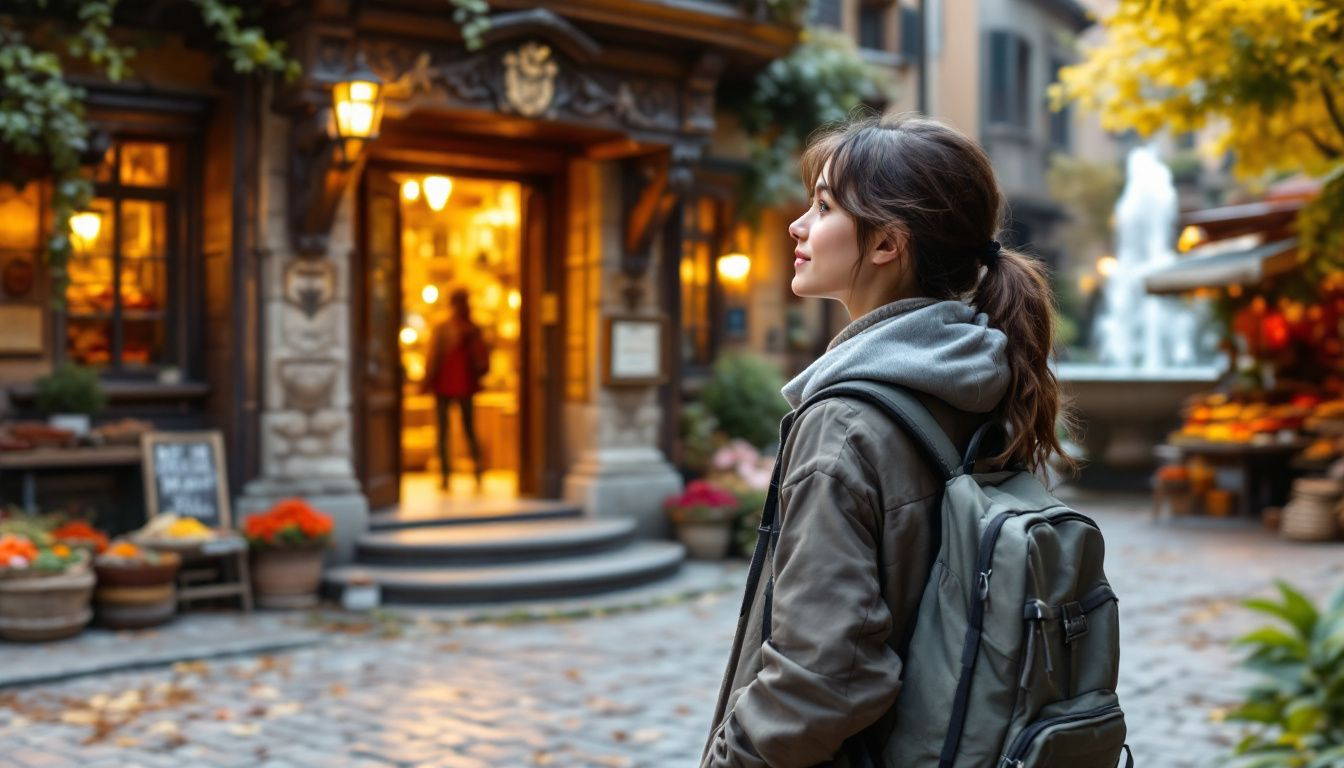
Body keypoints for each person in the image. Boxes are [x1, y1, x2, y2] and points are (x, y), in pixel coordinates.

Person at [701, 113, 1076, 767]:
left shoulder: (842, 425)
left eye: (822, 207)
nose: (798, 225)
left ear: (885, 246)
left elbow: (823, 680)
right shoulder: (982, 382)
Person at [423, 288, 488, 491]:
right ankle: (472, 471)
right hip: (462, 385)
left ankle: (448, 475)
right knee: (464, 430)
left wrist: (426, 380)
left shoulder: (447, 327)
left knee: (446, 432)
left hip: (448, 385)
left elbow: (433, 356)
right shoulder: (471, 328)